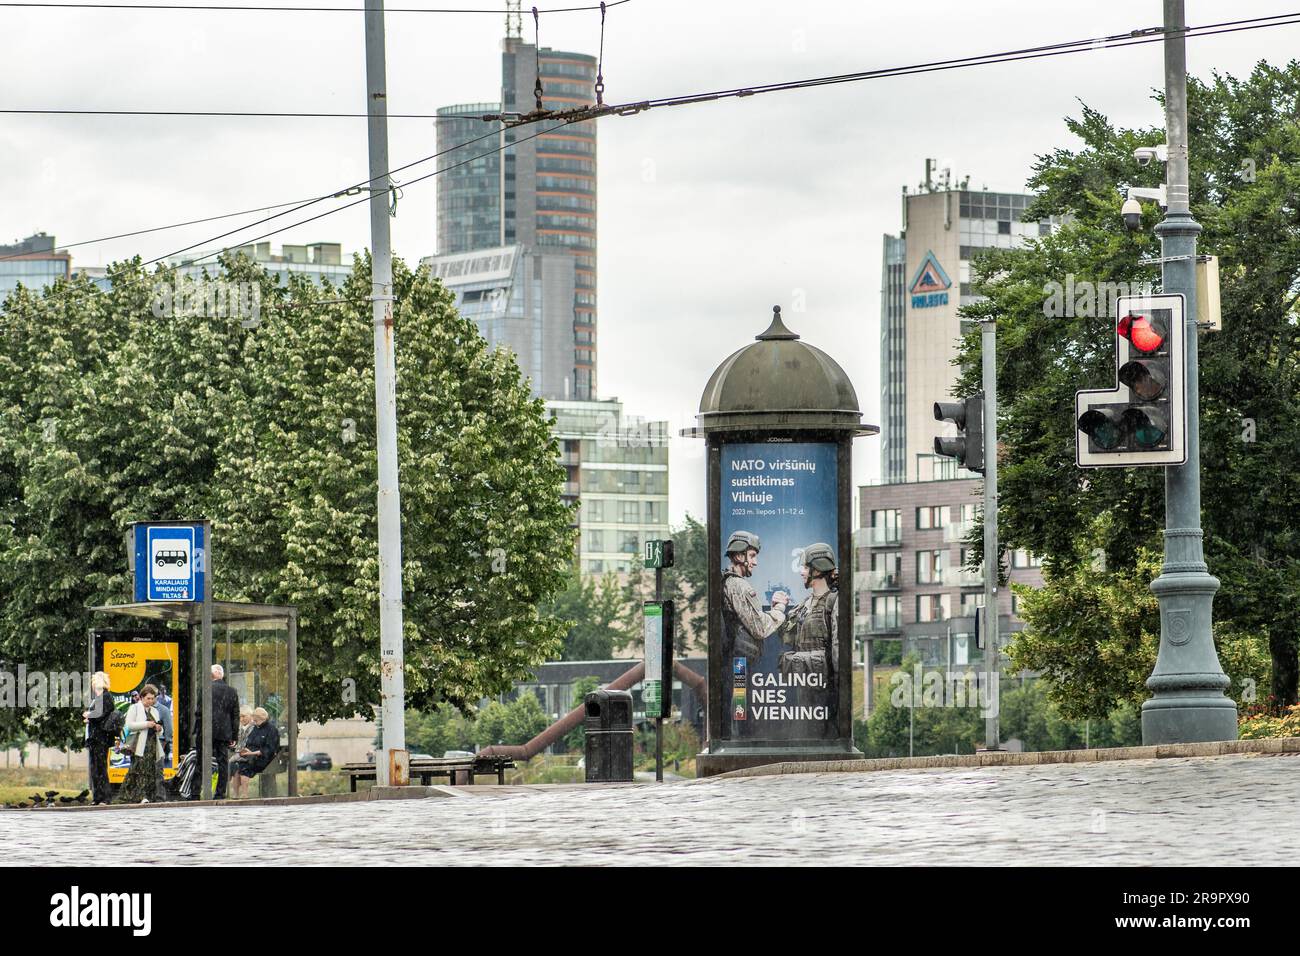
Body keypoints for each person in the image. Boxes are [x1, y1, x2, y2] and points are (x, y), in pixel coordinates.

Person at [719, 530, 789, 734]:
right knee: (740, 708)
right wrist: (778, 609)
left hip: (735, 660)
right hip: (739, 662)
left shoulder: (727, 583)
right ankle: (739, 743)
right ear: (739, 556)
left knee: (738, 705)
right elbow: (759, 628)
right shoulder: (739, 586)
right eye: (752, 556)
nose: (755, 562)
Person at [780, 542, 840, 678]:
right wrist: (778, 608)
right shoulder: (804, 605)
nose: (802, 572)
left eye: (806, 568)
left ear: (817, 570)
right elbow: (786, 639)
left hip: (824, 690)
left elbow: (837, 650)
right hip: (805, 686)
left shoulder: (834, 602)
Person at [114, 684, 165, 804]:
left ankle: (147, 795)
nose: (151, 701)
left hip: (152, 745)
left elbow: (160, 730)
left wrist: (159, 728)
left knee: (151, 771)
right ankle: (138, 796)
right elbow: (130, 725)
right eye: (148, 698)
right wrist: (146, 724)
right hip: (139, 745)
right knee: (138, 770)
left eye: (153, 698)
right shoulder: (135, 708)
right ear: (141, 697)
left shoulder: (155, 711)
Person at [82, 671, 116, 805]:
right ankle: (97, 797)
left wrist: (88, 715)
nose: (95, 684)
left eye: (97, 681)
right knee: (95, 768)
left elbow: (101, 714)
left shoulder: (106, 697)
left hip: (101, 737)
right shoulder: (98, 698)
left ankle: (105, 798)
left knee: (100, 767)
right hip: (94, 737)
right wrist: (88, 717)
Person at [208, 664, 241, 799]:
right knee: (222, 762)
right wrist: (234, 735)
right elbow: (235, 715)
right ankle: (220, 792)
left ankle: (195, 792)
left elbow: (199, 711)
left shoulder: (207, 689)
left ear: (211, 675)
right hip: (224, 733)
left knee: (201, 759)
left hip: (208, 731)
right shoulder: (232, 691)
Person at [232, 707, 280, 798]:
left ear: (262, 719)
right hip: (250, 755)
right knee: (236, 767)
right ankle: (235, 795)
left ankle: (245, 795)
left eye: (256, 720)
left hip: (265, 759)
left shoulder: (271, 730)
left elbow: (270, 749)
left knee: (244, 767)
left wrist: (252, 753)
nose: (254, 721)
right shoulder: (255, 728)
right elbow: (249, 742)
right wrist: (246, 751)